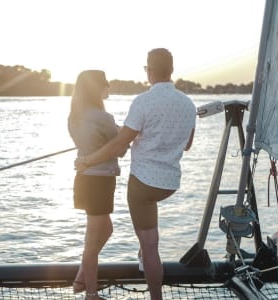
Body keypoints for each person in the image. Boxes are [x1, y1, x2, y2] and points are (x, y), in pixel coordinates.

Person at [75, 49, 196, 300]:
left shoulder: (142, 102)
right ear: (171, 70)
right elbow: (187, 144)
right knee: (148, 238)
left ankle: (155, 295)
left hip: (143, 185)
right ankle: (142, 256)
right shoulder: (188, 103)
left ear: (148, 71)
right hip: (170, 184)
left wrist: (87, 160)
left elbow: (120, 145)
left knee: (151, 247)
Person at [68, 70, 125, 300]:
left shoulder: (74, 117)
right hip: (99, 183)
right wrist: (122, 134)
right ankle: (90, 293)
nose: (108, 87)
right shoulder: (104, 118)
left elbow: (95, 143)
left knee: (106, 230)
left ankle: (82, 276)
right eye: (105, 84)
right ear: (97, 88)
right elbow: (119, 148)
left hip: (85, 180)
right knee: (91, 243)